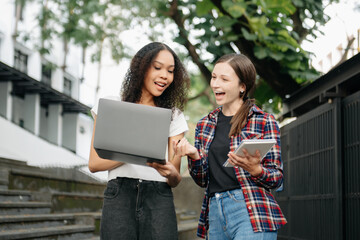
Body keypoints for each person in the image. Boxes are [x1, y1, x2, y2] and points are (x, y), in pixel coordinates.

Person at [173, 53, 286, 239]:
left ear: (242, 86)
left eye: (224, 79)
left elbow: (277, 178)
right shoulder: (204, 125)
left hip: (250, 210)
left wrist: (256, 170)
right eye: (214, 77)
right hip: (215, 212)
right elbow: (202, 180)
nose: (215, 84)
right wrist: (194, 156)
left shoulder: (264, 120)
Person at [88, 42, 190, 240]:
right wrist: (136, 151)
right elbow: (94, 163)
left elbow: (175, 178)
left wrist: (170, 172)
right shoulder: (112, 106)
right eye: (158, 67)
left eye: (170, 71)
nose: (165, 76)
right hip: (119, 195)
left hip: (159, 197)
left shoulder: (174, 116)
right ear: (141, 67)